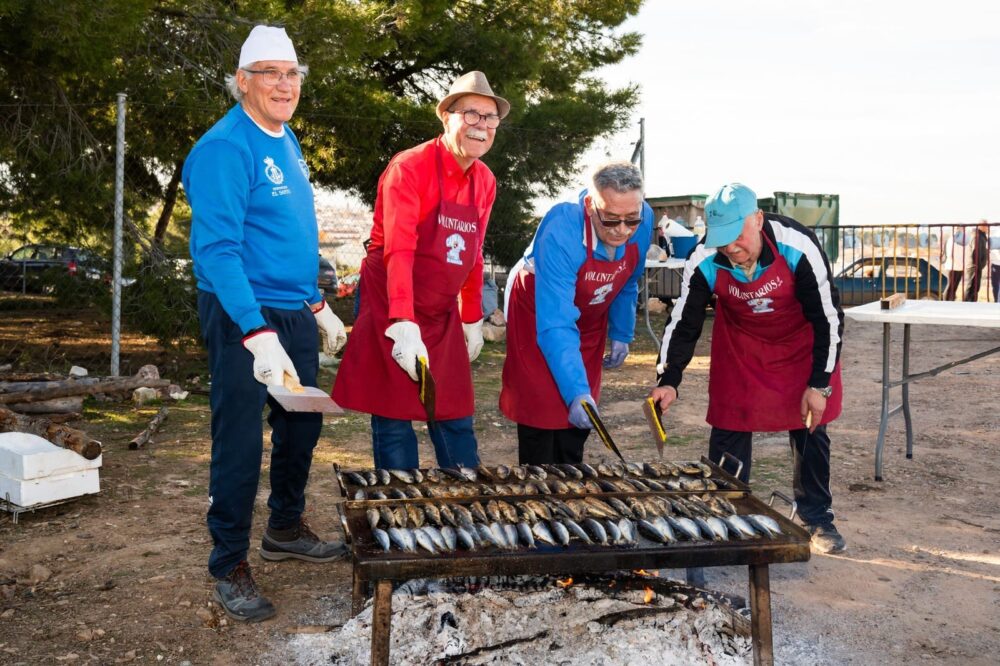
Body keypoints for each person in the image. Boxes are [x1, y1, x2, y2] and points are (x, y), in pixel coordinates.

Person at [183, 25, 348, 622]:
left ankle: (284, 529)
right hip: (242, 312)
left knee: (302, 425)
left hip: (291, 309)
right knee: (240, 440)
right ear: (243, 81)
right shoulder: (226, 148)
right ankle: (229, 563)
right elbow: (218, 252)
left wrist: (315, 304)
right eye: (270, 73)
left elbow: (289, 232)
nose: (284, 85)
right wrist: (256, 332)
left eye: (292, 74)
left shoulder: (285, 136)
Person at [650, 183, 847, 554]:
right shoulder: (703, 257)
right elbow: (684, 322)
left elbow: (828, 318)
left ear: (758, 219)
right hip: (741, 346)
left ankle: (817, 517)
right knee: (729, 425)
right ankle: (726, 514)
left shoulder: (797, 245)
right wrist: (668, 378)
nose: (730, 248)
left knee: (810, 429)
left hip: (800, 344)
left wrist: (820, 384)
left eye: (737, 236)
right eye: (721, 239)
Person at [332, 72, 509, 470]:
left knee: (453, 412)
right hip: (391, 300)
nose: (481, 125)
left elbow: (473, 253)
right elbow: (399, 250)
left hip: (441, 309)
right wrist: (402, 321)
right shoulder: (410, 167)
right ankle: (403, 500)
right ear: (446, 116)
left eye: (490, 117)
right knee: (394, 416)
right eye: (471, 114)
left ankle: (464, 496)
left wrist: (471, 317)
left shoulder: (485, 180)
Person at [499, 162, 652, 463]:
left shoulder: (643, 219)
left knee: (582, 411)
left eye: (631, 220)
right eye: (611, 219)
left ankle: (572, 469)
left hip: (592, 313)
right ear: (590, 205)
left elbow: (628, 278)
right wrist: (575, 392)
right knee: (541, 402)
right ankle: (538, 475)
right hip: (539, 312)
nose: (623, 230)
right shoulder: (562, 229)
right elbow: (556, 325)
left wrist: (622, 332)